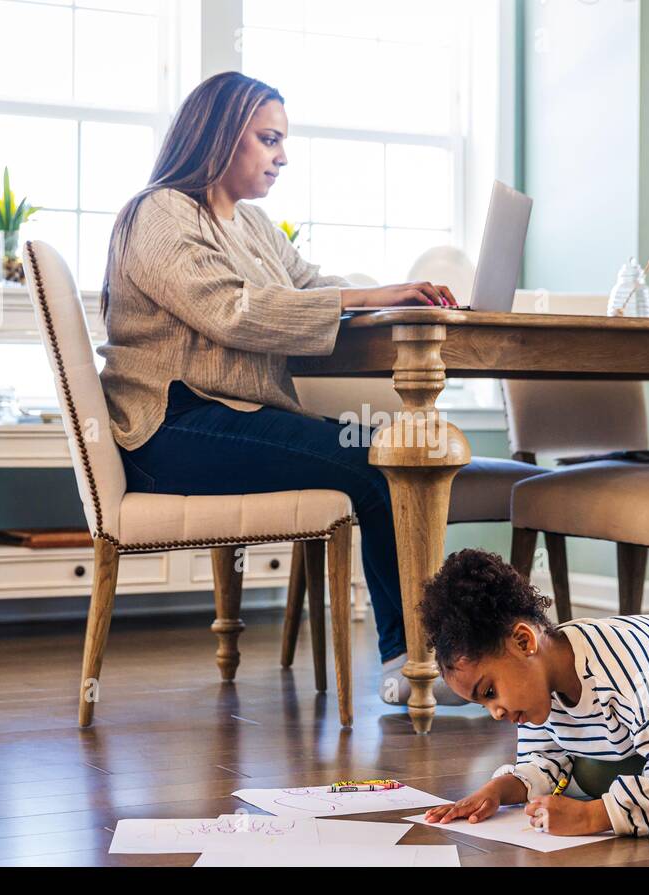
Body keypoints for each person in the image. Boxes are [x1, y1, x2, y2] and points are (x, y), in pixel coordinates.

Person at [97, 70, 464, 703]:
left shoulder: (253, 226)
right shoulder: (157, 213)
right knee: (380, 456)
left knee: (387, 449)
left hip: (226, 419)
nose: (283, 157)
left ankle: (420, 652)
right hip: (170, 428)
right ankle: (412, 658)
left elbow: (307, 284)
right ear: (219, 138)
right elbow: (232, 311)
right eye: (269, 140)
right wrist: (368, 295)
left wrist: (386, 293)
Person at [418, 549, 649, 836]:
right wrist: (500, 789)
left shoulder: (628, 678)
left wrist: (592, 816)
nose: (495, 712)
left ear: (523, 641)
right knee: (595, 778)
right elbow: (546, 759)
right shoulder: (536, 682)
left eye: (489, 691)